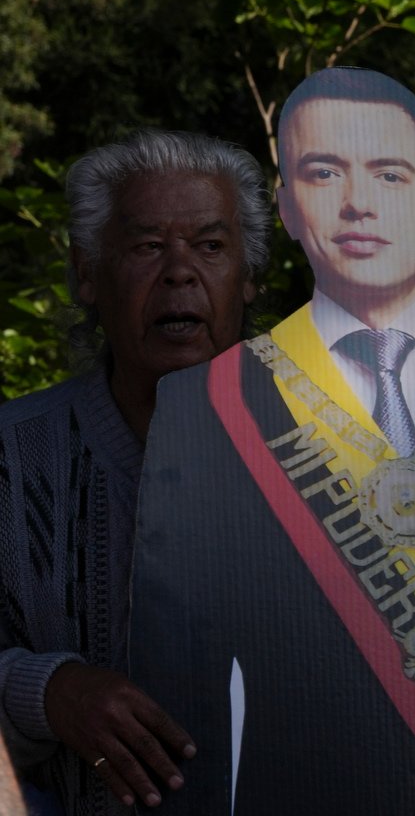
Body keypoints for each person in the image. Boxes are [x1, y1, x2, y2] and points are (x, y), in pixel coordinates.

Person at [128, 68, 415, 812]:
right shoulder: (205, 407)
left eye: (389, 175)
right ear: (288, 209)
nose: (358, 203)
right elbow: (181, 697)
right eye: (324, 173)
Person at [0, 129, 269, 814]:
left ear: (249, 278)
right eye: (148, 246)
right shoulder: (10, 454)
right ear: (87, 274)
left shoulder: (331, 458)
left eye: (210, 247)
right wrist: (51, 692)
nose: (180, 272)